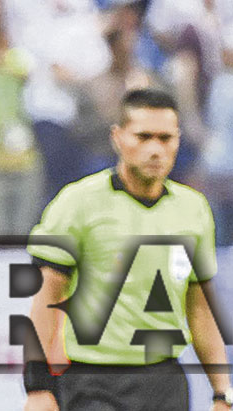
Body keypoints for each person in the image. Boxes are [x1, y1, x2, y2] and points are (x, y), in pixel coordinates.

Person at [23, 88, 231, 410]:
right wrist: (37, 386)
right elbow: (47, 296)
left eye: (165, 138)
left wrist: (221, 391)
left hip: (166, 383)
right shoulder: (78, 202)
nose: (155, 149)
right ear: (118, 137)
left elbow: (199, 308)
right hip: (92, 383)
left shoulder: (194, 209)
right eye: (143, 137)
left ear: (178, 141)